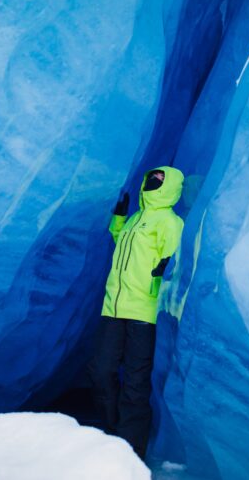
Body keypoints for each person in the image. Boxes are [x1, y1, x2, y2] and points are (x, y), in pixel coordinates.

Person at [88, 166, 184, 459]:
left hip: (144, 311)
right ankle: (113, 428)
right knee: (101, 370)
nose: (153, 183)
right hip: (113, 308)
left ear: (170, 187)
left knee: (136, 379)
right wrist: (119, 218)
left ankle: (130, 447)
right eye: (151, 179)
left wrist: (163, 272)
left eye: (159, 181)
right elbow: (122, 242)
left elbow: (175, 262)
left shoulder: (170, 222)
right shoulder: (134, 220)